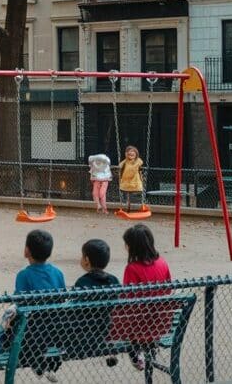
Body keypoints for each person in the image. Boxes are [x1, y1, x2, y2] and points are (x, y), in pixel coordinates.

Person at [0, 229, 65, 378]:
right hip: (55, 330)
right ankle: (45, 364)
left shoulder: (24, 275)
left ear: (27, 251)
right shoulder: (58, 273)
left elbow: (20, 304)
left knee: (8, 314)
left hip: (31, 330)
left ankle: (1, 349)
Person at [117, 223, 173, 371]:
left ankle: (135, 352)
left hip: (140, 324)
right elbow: (168, 290)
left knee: (116, 313)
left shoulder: (132, 269)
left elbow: (127, 299)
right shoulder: (162, 263)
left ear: (132, 247)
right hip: (161, 323)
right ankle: (147, 349)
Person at [73, 239, 122, 367]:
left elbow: (74, 309)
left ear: (87, 260)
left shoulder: (82, 282)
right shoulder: (114, 280)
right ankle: (108, 350)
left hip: (84, 335)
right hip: (106, 329)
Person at [118, 145, 145, 211]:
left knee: (135, 196)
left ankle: (139, 207)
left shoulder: (138, 161)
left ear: (136, 153)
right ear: (126, 154)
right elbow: (120, 166)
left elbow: (139, 164)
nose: (131, 153)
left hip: (135, 181)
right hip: (126, 181)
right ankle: (128, 208)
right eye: (129, 152)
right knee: (127, 195)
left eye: (133, 152)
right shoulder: (125, 162)